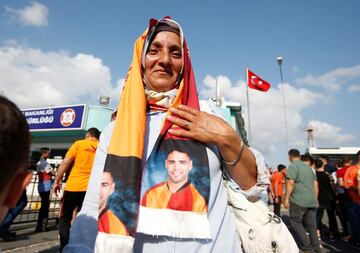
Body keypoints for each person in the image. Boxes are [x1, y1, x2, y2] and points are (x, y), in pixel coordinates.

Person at [64, 17, 269, 253]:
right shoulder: (117, 130)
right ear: (141, 60)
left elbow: (252, 186)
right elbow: (94, 204)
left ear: (185, 63)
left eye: (175, 53)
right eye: (154, 51)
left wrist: (228, 138)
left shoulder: (207, 115)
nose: (164, 60)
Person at [52, 127, 100, 252]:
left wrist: (57, 181)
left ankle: (64, 247)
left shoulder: (79, 144)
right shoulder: (102, 146)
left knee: (65, 218)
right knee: (88, 218)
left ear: (88, 135)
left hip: (73, 186)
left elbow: (65, 162)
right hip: (92, 189)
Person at [141, 148, 207, 213]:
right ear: (166, 164)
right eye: (172, 162)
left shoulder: (198, 200)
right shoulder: (151, 194)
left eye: (182, 162)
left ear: (190, 165)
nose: (176, 167)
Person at [284, 149, 321, 253]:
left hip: (299, 200)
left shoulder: (293, 166)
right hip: (311, 201)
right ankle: (317, 247)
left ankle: (307, 246)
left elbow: (290, 183)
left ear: (290, 156)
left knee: (295, 222)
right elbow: (315, 185)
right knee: (311, 226)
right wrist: (316, 199)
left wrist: (286, 199)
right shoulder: (309, 168)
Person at [314, 159, 339, 240]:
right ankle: (333, 234)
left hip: (319, 198)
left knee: (318, 216)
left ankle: (317, 233)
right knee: (331, 216)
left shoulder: (313, 175)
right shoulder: (328, 175)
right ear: (323, 166)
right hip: (329, 197)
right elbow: (333, 186)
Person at [35, 147, 55, 232]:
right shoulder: (44, 163)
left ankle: (40, 226)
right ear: (44, 153)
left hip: (41, 186)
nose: (49, 154)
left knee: (43, 206)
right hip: (46, 186)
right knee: (45, 207)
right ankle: (42, 227)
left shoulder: (39, 162)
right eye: (48, 153)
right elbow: (53, 173)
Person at [344, 151, 360, 247]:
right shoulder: (351, 169)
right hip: (355, 202)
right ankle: (357, 241)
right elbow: (347, 185)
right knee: (356, 223)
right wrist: (358, 188)